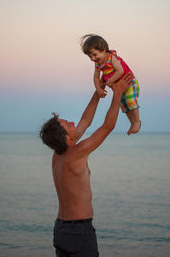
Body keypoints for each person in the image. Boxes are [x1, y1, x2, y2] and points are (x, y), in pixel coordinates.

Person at [39, 73, 134, 257]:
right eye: (68, 124)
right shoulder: (77, 153)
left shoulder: (57, 156)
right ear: (67, 137)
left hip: (61, 229)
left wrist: (98, 92)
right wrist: (118, 93)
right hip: (79, 231)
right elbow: (108, 126)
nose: (73, 122)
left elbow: (85, 120)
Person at [80, 34, 141, 135]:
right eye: (90, 56)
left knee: (130, 101)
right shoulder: (98, 64)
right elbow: (96, 77)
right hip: (119, 88)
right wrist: (98, 89)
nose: (92, 58)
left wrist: (110, 80)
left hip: (129, 82)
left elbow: (120, 71)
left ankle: (137, 121)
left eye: (94, 54)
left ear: (103, 49)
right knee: (123, 105)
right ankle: (132, 122)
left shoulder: (111, 58)